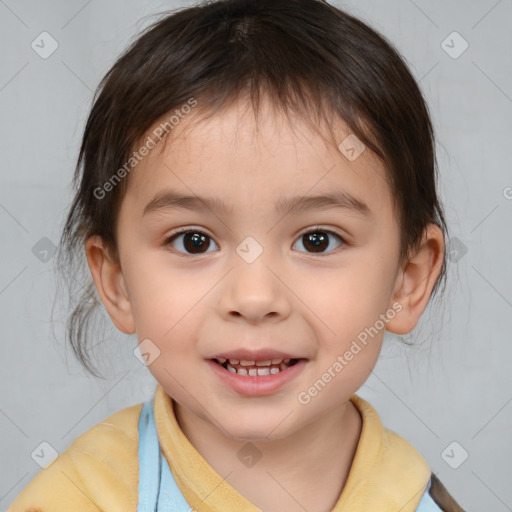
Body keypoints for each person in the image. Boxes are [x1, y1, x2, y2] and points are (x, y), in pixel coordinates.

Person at [8, 0, 466, 510]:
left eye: (317, 239)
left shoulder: (423, 498)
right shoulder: (76, 500)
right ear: (116, 280)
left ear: (408, 278)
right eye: (193, 241)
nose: (253, 298)